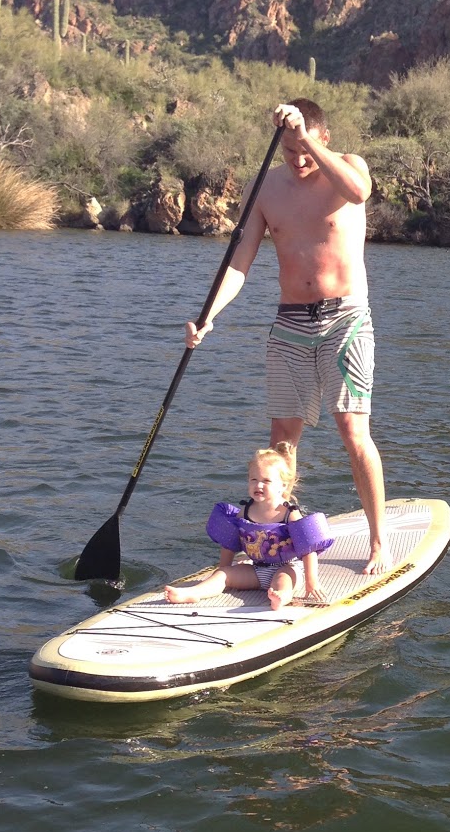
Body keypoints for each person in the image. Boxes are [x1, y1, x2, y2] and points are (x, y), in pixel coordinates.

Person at [184, 98, 391, 575]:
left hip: (346, 319)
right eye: (288, 151)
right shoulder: (266, 188)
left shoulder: (348, 168)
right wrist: (210, 314)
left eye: (305, 150)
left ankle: (379, 541)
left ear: (324, 139)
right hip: (290, 323)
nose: (298, 161)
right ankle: (273, 539)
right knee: (281, 443)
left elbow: (359, 192)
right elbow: (240, 262)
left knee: (352, 430)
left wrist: (307, 142)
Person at [164, 442, 332, 612]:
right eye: (254, 480)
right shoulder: (245, 511)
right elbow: (229, 543)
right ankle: (194, 592)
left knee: (283, 581)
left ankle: (281, 597)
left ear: (283, 486)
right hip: (256, 569)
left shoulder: (289, 513)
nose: (258, 485)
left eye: (266, 481)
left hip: (287, 567)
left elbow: (308, 549)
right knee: (223, 575)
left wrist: (312, 582)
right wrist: (225, 569)